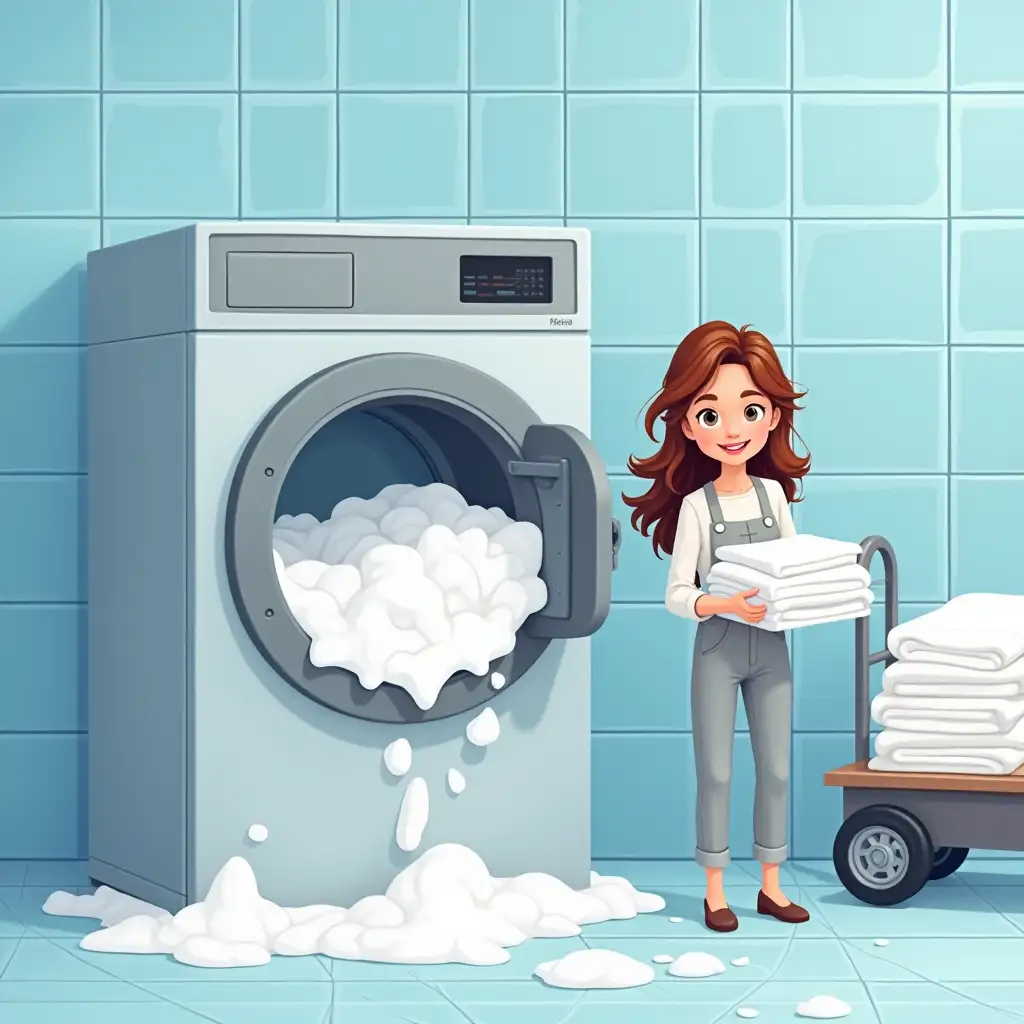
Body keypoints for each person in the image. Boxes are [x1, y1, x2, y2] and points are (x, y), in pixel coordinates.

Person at [623, 321, 812, 932]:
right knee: (718, 770)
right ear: (686, 423)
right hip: (720, 649)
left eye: (749, 410)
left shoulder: (774, 500)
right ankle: (714, 890)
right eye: (711, 415)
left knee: (777, 767)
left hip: (772, 649)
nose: (732, 430)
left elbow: (792, 565)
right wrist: (724, 605)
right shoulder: (697, 508)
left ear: (770, 418)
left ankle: (772, 884)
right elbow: (677, 594)